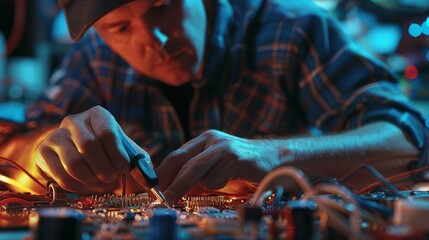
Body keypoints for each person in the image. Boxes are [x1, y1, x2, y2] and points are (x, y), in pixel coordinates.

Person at [1, 0, 428, 204]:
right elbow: (12, 147)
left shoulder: (295, 31)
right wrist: (42, 149)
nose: (155, 41)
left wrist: (274, 154)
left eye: (162, 8)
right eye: (119, 28)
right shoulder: (94, 59)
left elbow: (407, 137)